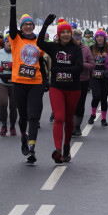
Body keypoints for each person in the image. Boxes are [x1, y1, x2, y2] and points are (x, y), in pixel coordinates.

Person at [35, 15, 89, 163]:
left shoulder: (76, 49)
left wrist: (60, 69)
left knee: (69, 119)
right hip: (57, 87)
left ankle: (66, 147)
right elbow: (39, 42)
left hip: (73, 88)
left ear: (71, 34)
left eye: (67, 32)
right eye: (62, 32)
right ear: (58, 34)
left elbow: (79, 67)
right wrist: (45, 25)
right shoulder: (54, 47)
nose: (65, 35)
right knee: (59, 118)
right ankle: (58, 150)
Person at [4, 0, 46, 163]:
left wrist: (46, 26)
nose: (28, 27)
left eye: (30, 24)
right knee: (23, 116)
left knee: (34, 117)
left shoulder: (39, 42)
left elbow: (43, 58)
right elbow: (12, 26)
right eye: (25, 25)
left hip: (36, 82)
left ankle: (32, 148)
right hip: (19, 82)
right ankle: (23, 135)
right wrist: (13, 5)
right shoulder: (15, 39)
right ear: (22, 27)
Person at [0, 37, 18, 137]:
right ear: (4, 43)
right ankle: (4, 125)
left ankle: (13, 126)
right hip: (1, 82)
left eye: (11, 42)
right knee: (3, 103)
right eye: (7, 41)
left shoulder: (17, 52)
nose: (9, 43)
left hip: (14, 82)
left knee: (13, 106)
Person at [87, 29, 108, 126]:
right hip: (94, 76)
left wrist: (107, 57)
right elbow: (88, 61)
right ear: (95, 38)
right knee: (96, 96)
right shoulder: (91, 48)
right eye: (97, 37)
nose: (99, 38)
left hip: (105, 76)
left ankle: (103, 119)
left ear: (104, 38)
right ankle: (93, 115)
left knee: (104, 98)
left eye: (101, 36)